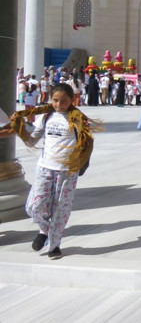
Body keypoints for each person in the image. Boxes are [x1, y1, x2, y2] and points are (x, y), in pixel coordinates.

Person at [5, 83, 101, 260]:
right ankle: (45, 229)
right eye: (55, 100)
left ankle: (54, 245)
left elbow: (87, 144)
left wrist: (80, 163)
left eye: (63, 101)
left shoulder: (78, 119)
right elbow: (33, 140)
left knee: (60, 209)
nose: (59, 104)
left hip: (67, 171)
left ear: (72, 100)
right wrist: (19, 126)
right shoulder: (47, 116)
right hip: (45, 167)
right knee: (34, 205)